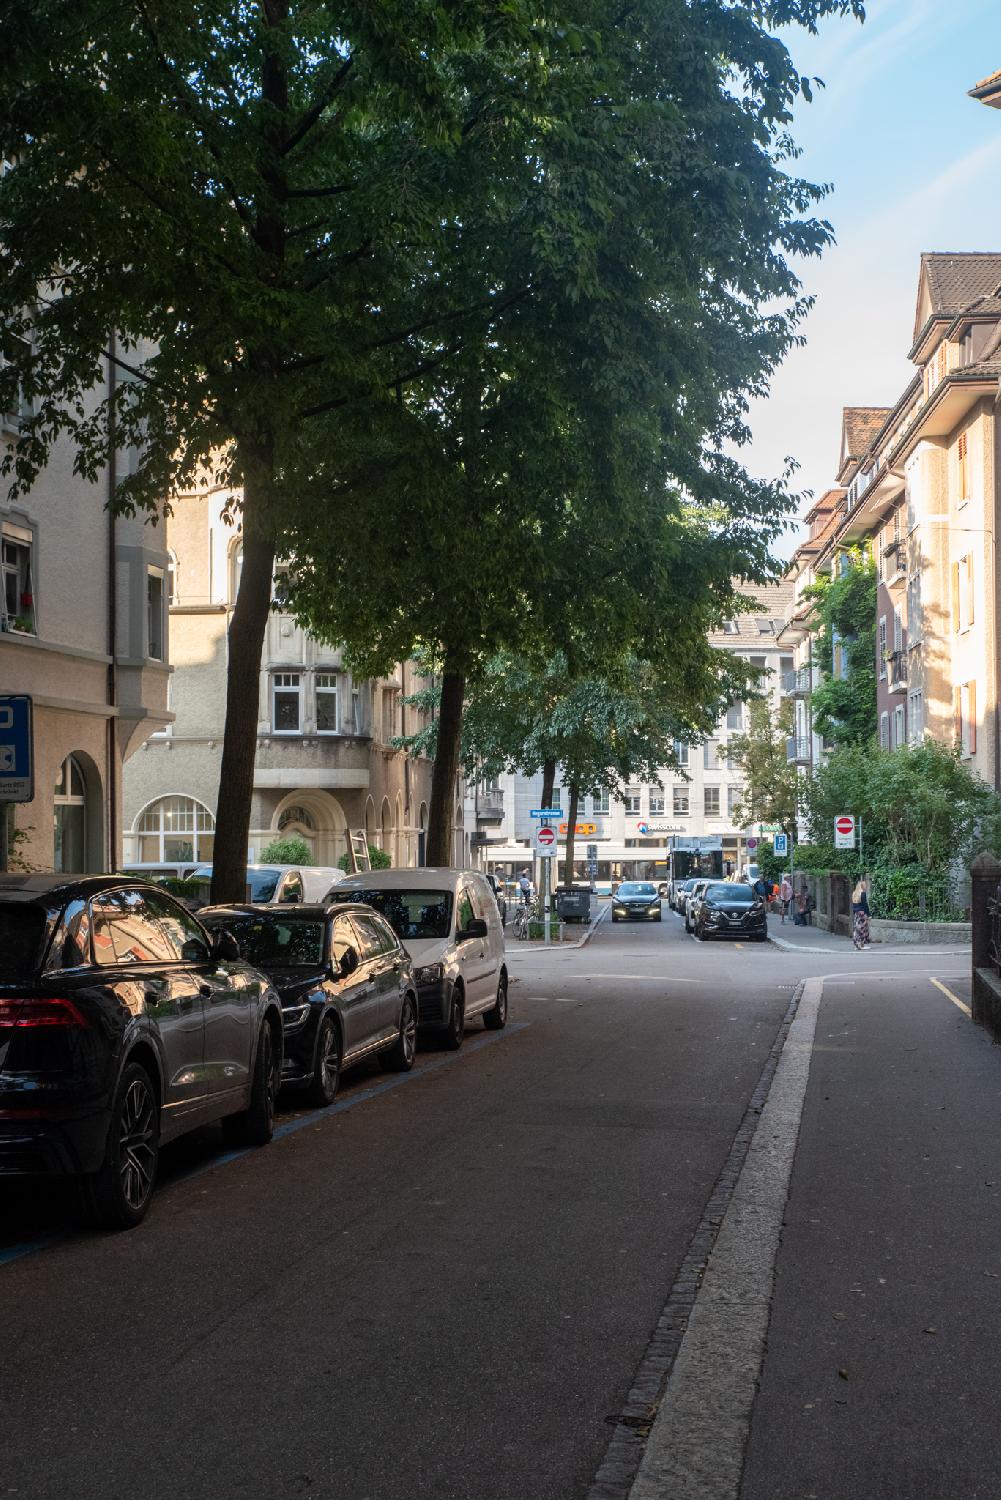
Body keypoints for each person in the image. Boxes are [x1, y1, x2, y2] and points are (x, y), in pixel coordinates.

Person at [851, 872, 870, 949]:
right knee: (863, 929)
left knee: (857, 929)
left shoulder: (854, 893)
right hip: (862, 913)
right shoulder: (863, 894)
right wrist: (868, 914)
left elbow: (853, 905)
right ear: (862, 886)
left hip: (856, 913)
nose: (866, 887)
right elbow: (865, 905)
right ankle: (861, 945)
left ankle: (857, 944)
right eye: (865, 885)